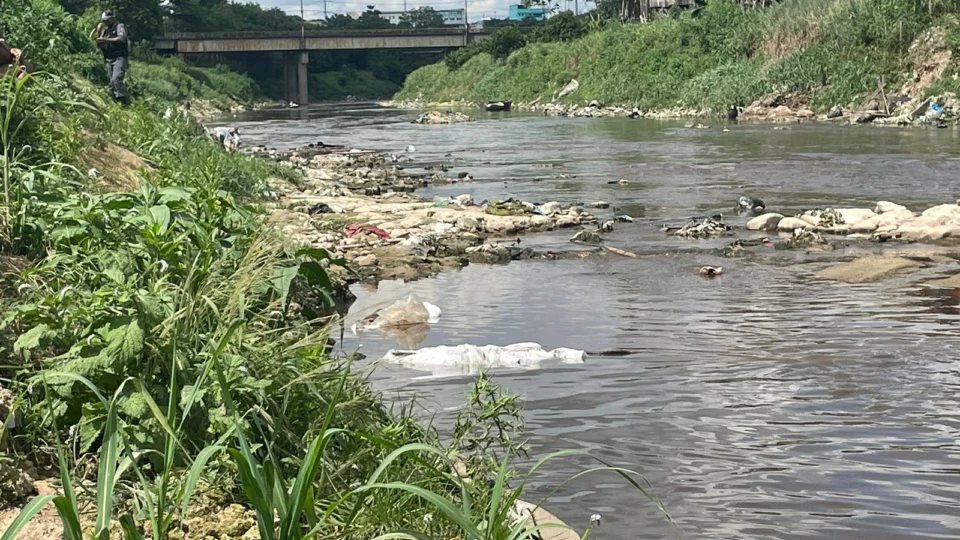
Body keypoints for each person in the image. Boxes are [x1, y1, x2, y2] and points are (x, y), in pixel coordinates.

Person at [95, 10, 128, 103]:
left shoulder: (119, 26)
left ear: (112, 18)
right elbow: (98, 44)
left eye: (107, 20)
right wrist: (98, 31)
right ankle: (116, 101)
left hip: (119, 57)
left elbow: (122, 38)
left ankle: (123, 100)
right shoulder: (105, 30)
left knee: (116, 78)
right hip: (108, 59)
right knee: (111, 82)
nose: (105, 22)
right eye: (104, 21)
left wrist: (106, 40)